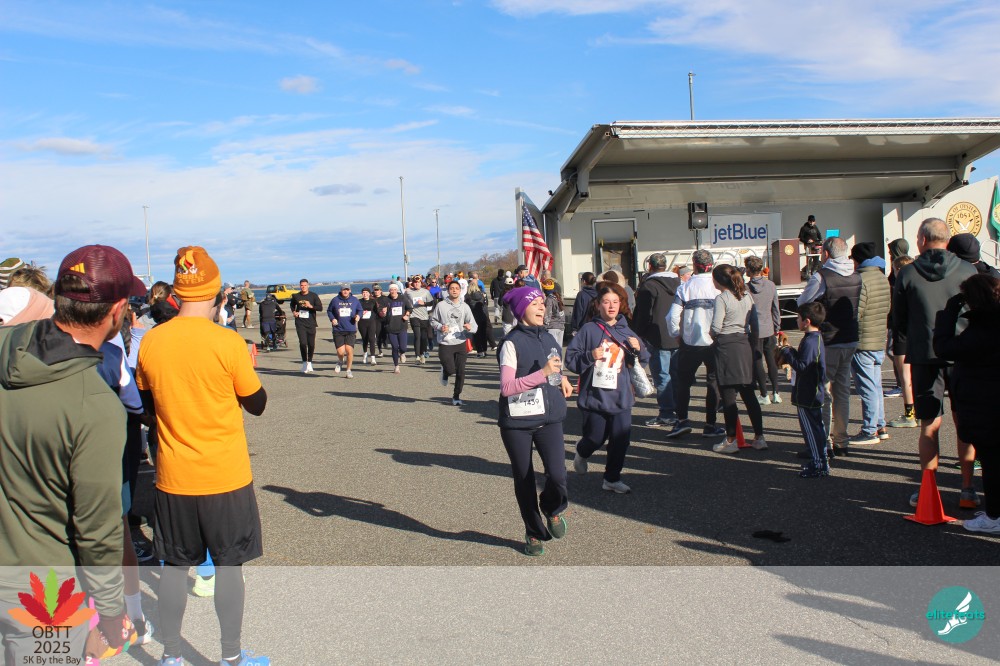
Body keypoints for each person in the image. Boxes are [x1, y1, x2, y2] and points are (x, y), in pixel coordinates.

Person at [1, 245, 146, 664]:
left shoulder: (7, 346)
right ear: (117, 311)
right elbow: (98, 529)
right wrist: (111, 613)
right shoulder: (94, 405)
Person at [136, 246, 269, 666]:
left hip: (174, 476)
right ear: (217, 294)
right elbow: (257, 403)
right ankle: (231, 657)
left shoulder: (152, 340)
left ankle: (171, 655)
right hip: (225, 475)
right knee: (229, 567)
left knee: (174, 568)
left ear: (176, 294)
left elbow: (146, 407)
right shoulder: (226, 342)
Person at [894, 218, 978, 509]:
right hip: (963, 355)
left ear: (921, 240)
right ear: (948, 239)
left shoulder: (907, 273)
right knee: (964, 421)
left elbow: (899, 320)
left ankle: (929, 489)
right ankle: (968, 490)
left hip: (924, 355)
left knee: (929, 424)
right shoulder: (967, 270)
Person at [496, 286, 573, 556]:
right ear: (521, 310)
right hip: (518, 423)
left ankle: (552, 509)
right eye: (536, 303)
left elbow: (554, 370)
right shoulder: (511, 343)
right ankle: (533, 532)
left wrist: (561, 379)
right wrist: (542, 374)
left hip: (549, 419)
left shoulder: (550, 338)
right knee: (525, 480)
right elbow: (507, 387)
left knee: (558, 475)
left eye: (542, 303)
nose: (542, 307)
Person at [565, 282, 649, 494]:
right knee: (595, 438)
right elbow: (571, 360)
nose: (611, 306)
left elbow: (643, 360)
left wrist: (638, 349)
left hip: (621, 395)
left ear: (621, 304)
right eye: (606, 302)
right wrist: (590, 355)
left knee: (620, 440)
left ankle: (611, 478)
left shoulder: (627, 330)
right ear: (598, 304)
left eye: (615, 302)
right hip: (595, 396)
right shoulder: (588, 330)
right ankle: (582, 451)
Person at [934, 274, 1000, 533]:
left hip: (985, 405)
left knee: (992, 464)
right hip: (988, 402)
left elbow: (944, 347)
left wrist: (949, 313)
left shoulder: (982, 330)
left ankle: (995, 517)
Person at [797, 236, 861, 457]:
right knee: (842, 391)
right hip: (850, 336)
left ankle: (822, 442)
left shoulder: (822, 276)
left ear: (825, 254)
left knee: (823, 391)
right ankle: (841, 440)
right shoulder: (856, 274)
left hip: (829, 339)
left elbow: (803, 302)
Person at [665, 249, 724, 439]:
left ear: (694, 265)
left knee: (683, 382)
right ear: (711, 265)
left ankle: (682, 420)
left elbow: (672, 317)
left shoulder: (685, 287)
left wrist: (676, 334)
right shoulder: (718, 287)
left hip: (690, 342)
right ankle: (710, 425)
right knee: (713, 383)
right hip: (714, 342)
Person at [708, 265, 766, 454]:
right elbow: (754, 324)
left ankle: (731, 440)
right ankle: (759, 437)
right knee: (749, 394)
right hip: (744, 343)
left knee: (728, 396)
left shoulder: (722, 298)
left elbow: (716, 327)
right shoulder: (746, 296)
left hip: (726, 345)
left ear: (718, 280)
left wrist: (711, 335)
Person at [848, 243, 891, 445]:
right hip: (878, 337)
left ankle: (869, 430)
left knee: (867, 388)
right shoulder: (882, 277)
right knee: (876, 386)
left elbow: (857, 313)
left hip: (863, 341)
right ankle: (880, 425)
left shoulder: (861, 280)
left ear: (858, 260)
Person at [632, 253, 681, 428]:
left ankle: (667, 413)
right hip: (677, 335)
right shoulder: (678, 283)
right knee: (675, 376)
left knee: (662, 377)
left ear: (650, 266)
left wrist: (637, 333)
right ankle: (679, 411)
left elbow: (644, 314)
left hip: (657, 335)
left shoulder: (649, 286)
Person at [782, 302, 829, 477]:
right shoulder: (815, 338)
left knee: (812, 430)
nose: (797, 320)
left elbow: (802, 366)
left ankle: (818, 464)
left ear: (807, 321)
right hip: (813, 392)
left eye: (798, 318)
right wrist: (791, 350)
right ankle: (820, 458)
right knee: (817, 428)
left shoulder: (810, 341)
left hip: (808, 394)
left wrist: (787, 353)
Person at [430, 280, 477, 405]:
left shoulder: (464, 306)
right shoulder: (441, 305)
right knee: (451, 370)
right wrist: (440, 327)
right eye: (452, 288)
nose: (454, 290)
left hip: (460, 342)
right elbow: (433, 321)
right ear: (448, 291)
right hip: (445, 342)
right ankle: (446, 371)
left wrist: (469, 327)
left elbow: (473, 325)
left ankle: (456, 396)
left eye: (457, 288)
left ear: (460, 291)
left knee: (461, 371)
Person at [744, 256, 782, 405]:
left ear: (748, 269)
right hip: (769, 327)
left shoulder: (746, 288)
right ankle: (776, 393)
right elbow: (775, 308)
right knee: (771, 360)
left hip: (754, 329)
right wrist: (777, 326)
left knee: (757, 361)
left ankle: (764, 394)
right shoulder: (771, 285)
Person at [886, 255, 917, 427]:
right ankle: (919, 412)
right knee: (916, 376)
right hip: (918, 334)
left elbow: (895, 313)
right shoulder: (919, 285)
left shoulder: (898, 287)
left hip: (902, 335)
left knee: (905, 377)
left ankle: (909, 414)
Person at [327, 284, 363, 378]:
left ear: (350, 290)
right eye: (344, 290)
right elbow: (329, 311)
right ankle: (340, 361)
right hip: (338, 329)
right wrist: (332, 319)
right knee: (341, 352)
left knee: (349, 350)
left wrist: (358, 316)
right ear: (341, 291)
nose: (345, 291)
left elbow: (360, 310)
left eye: (347, 289)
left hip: (350, 329)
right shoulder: (335, 300)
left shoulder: (354, 300)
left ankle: (348, 370)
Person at [290, 278, 322, 373]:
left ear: (308, 286)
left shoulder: (313, 295)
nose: (303, 287)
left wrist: (310, 306)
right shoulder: (296, 296)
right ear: (300, 286)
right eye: (302, 285)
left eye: (305, 285)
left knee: (311, 344)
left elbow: (320, 308)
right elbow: (292, 305)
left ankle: (309, 362)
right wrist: (294, 312)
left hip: (311, 323)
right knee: (303, 343)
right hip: (300, 323)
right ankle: (304, 362)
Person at [404, 275, 434, 364]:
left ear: (421, 283)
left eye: (418, 282)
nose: (417, 284)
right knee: (417, 336)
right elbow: (403, 302)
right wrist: (406, 312)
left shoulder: (426, 292)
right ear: (413, 283)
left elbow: (432, 302)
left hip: (424, 317)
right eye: (415, 282)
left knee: (423, 337)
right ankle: (417, 356)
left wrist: (424, 303)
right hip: (413, 316)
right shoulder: (408, 292)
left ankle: (422, 354)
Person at [383, 283, 411, 373]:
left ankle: (402, 353)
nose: (393, 291)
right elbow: (381, 312)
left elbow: (409, 308)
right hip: (390, 327)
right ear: (389, 291)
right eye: (391, 290)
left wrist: (407, 315)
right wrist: (383, 312)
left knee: (403, 348)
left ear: (397, 290)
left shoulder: (403, 298)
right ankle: (396, 366)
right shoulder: (386, 300)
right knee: (394, 347)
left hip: (402, 326)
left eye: (395, 289)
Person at [465, 281, 491, 357]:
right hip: (483, 316)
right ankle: (485, 350)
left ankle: (480, 351)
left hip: (474, 317)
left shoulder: (468, 297)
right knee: (483, 334)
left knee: (476, 335)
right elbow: (486, 304)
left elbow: (467, 308)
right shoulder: (482, 295)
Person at [569, 271, 598, 336]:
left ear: (584, 281)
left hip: (584, 328)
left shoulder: (581, 294)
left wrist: (574, 328)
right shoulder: (598, 294)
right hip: (597, 326)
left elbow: (578, 312)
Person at [358, 287, 380, 365]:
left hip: (371, 322)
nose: (365, 294)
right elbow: (356, 311)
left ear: (369, 293)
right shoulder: (359, 301)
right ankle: (365, 354)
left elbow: (377, 311)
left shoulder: (373, 301)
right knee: (365, 339)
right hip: (362, 322)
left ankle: (373, 358)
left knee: (372, 339)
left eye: (366, 292)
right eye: (363, 292)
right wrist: (360, 313)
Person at [542, 278, 566, 349]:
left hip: (552, 327)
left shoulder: (549, 299)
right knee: (558, 349)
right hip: (561, 327)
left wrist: (543, 326)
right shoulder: (557, 298)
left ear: (545, 290)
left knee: (552, 350)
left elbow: (547, 316)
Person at [798, 214, 823, 278]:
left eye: (813, 222)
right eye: (810, 221)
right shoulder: (804, 228)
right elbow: (800, 237)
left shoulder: (815, 227)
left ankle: (813, 272)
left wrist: (820, 241)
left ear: (815, 222)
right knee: (809, 259)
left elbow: (819, 235)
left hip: (815, 246)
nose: (811, 223)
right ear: (808, 221)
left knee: (816, 260)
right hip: (808, 246)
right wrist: (807, 240)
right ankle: (807, 273)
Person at [372, 284, 390, 357]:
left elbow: (389, 306)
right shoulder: (372, 299)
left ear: (380, 291)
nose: (376, 291)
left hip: (384, 318)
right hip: (376, 319)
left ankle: (385, 340)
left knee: (385, 332)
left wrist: (386, 309)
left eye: (377, 290)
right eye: (375, 290)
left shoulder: (385, 298)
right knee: (378, 334)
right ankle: (380, 350)